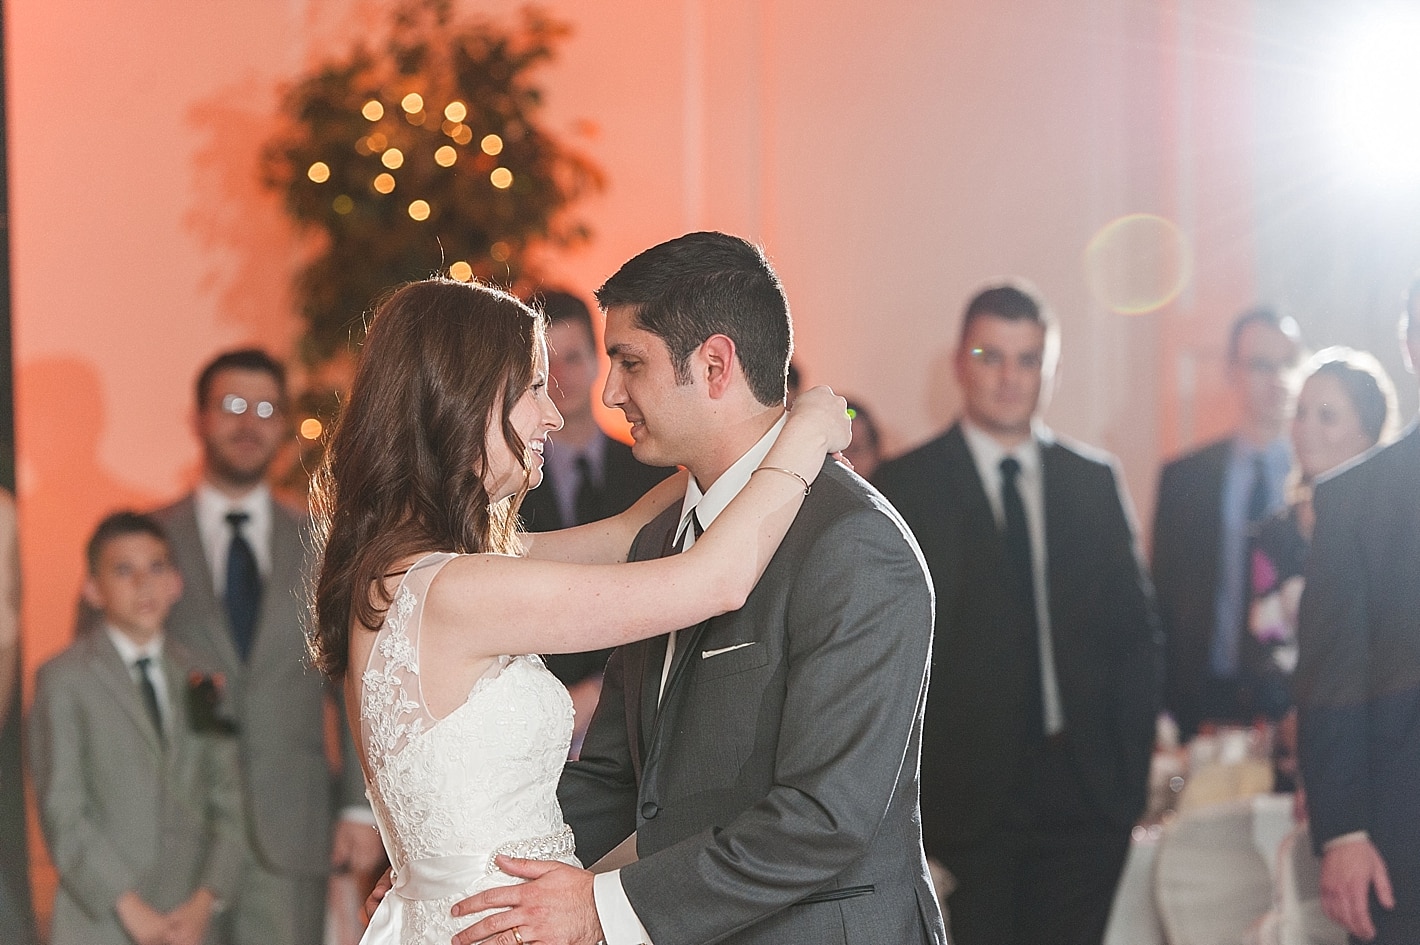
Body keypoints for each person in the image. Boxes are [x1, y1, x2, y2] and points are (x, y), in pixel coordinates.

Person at [310, 272, 858, 945]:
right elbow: (712, 582)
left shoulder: (414, 573)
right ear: (464, 401)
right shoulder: (459, 592)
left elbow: (626, 535)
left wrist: (731, 442)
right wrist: (801, 436)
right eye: (533, 388)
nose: (554, 413)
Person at [445, 232, 944, 945]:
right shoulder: (662, 537)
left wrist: (599, 909)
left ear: (714, 365)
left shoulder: (853, 545)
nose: (609, 392)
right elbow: (620, 777)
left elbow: (823, 818)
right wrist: (462, 868)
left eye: (630, 362)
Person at [873, 282, 1159, 945]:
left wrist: (1124, 776)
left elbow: (1136, 638)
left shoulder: (1093, 480)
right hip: (960, 803)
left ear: (1050, 369)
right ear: (958, 363)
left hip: (1085, 794)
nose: (1009, 377)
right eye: (990, 355)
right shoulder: (905, 484)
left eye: (1028, 359)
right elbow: (887, 650)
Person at [153, 349, 379, 945]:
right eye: (231, 406)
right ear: (198, 418)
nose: (248, 423)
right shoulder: (146, 545)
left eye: (265, 408)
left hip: (292, 829)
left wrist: (358, 806)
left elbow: (354, 676)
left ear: (283, 424)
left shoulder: (322, 541)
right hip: (177, 826)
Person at [28, 512, 244, 945]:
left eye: (156, 567)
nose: (143, 584)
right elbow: (62, 810)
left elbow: (228, 797)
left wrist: (204, 903)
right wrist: (130, 909)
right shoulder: (63, 679)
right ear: (93, 588)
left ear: (176, 582)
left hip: (189, 923)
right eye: (123, 570)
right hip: (100, 922)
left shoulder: (203, 679)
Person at [1294, 282, 1420, 944]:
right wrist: (1343, 828)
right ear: (1411, 344)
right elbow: (1331, 678)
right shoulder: (1354, 501)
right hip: (1404, 846)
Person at [518, 289, 673, 753]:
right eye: (546, 368)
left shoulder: (653, 470)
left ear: (596, 362)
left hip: (633, 708)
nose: (561, 379)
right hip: (533, 711)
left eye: (572, 358)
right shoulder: (506, 484)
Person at [1153, 306, 1302, 738]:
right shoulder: (1185, 478)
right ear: (1231, 372)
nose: (1276, 379)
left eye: (1287, 364)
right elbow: (1162, 600)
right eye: (1260, 365)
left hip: (1290, 705)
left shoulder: (1319, 483)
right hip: (1202, 700)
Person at [1246, 349, 1397, 728]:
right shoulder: (1274, 534)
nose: (1305, 428)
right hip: (1282, 744)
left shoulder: (1392, 536)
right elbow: (1255, 652)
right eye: (1300, 413)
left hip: (1370, 740)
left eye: (1326, 416)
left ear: (1369, 431)